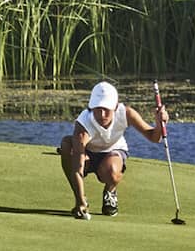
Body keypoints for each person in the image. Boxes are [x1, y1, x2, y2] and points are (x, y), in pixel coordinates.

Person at [58, 81, 167, 220]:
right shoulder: (83, 125)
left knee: (112, 172)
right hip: (88, 154)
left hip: (113, 151)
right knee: (67, 145)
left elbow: (154, 137)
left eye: (106, 109)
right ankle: (81, 199)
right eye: (98, 109)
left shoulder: (126, 113)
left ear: (115, 107)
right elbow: (77, 168)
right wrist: (80, 202)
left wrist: (159, 123)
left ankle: (110, 191)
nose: (102, 114)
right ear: (92, 108)